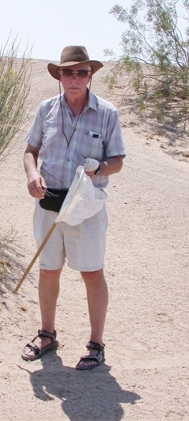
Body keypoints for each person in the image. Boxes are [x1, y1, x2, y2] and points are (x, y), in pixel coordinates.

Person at [21, 45, 126, 370]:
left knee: (92, 273)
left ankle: (96, 344)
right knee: (48, 271)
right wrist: (33, 174)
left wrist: (99, 168)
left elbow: (118, 161)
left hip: (85, 207)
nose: (75, 78)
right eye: (69, 72)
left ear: (90, 76)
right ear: (60, 76)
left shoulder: (107, 113)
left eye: (82, 72)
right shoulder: (46, 110)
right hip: (49, 204)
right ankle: (47, 335)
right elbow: (30, 150)